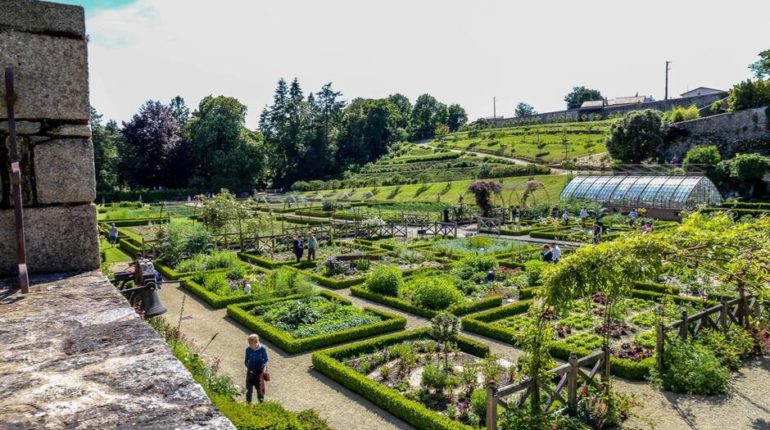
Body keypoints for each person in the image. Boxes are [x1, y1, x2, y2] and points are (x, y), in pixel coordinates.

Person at [244, 334, 269, 403]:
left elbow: (266, 359)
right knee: (248, 390)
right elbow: (246, 360)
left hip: (259, 372)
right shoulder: (248, 349)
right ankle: (248, 404)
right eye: (249, 343)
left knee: (259, 390)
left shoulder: (262, 349)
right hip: (250, 372)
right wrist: (249, 367)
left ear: (256, 342)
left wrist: (263, 366)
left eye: (250, 343)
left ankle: (261, 404)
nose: (249, 344)